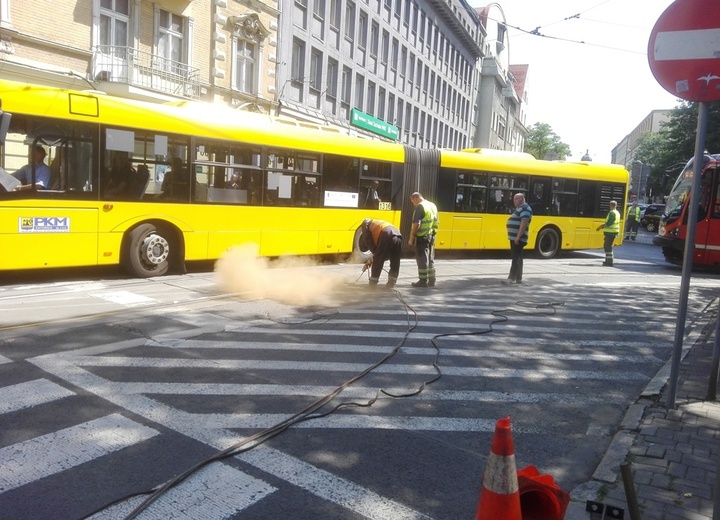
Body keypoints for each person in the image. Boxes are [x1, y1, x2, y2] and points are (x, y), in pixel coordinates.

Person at [359, 218, 402, 288]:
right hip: (398, 235)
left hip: (387, 234)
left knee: (378, 259)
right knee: (395, 259)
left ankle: (373, 283)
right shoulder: (376, 223)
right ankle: (392, 283)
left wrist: (373, 259)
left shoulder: (366, 228)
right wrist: (371, 259)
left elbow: (372, 247)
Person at [408, 192, 439, 287]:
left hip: (423, 236)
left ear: (416, 198)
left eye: (413, 202)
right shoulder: (432, 205)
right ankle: (432, 279)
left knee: (422, 258)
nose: (413, 204)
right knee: (430, 258)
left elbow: (417, 224)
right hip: (432, 235)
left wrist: (411, 238)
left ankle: (423, 280)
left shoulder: (420, 207)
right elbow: (437, 220)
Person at [503, 192, 533, 285]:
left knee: (516, 257)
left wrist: (518, 237)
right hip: (515, 237)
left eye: (516, 199)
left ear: (522, 199)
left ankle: (511, 278)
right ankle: (518, 278)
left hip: (518, 238)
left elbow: (524, 223)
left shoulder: (525, 208)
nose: (514, 201)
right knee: (518, 257)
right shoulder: (520, 208)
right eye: (514, 199)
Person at [597, 200, 621, 267]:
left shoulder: (612, 213)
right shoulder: (617, 213)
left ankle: (609, 261)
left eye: (609, 205)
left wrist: (600, 226)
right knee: (608, 246)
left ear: (610, 205)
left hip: (611, 232)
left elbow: (609, 223)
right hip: (613, 232)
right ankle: (608, 260)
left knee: (607, 246)